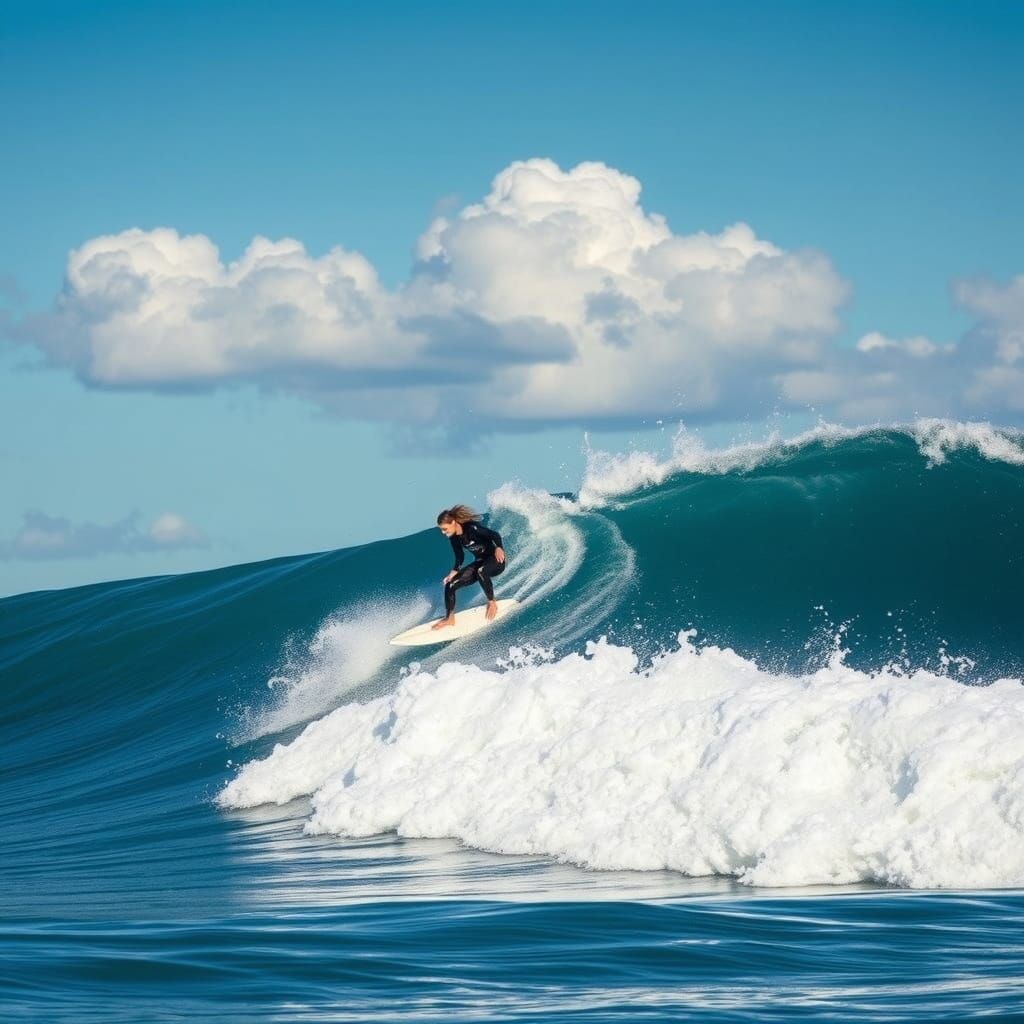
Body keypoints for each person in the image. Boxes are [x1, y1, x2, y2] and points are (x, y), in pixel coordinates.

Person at [432, 505, 506, 630]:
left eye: (445, 529)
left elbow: (494, 535)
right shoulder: (454, 538)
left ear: (453, 522)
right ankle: (450, 618)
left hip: (496, 561)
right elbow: (459, 556)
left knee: (481, 571)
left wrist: (499, 548)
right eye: (442, 530)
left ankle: (492, 602)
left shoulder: (472, 528)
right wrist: (454, 571)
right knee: (450, 584)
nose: (443, 533)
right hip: (481, 561)